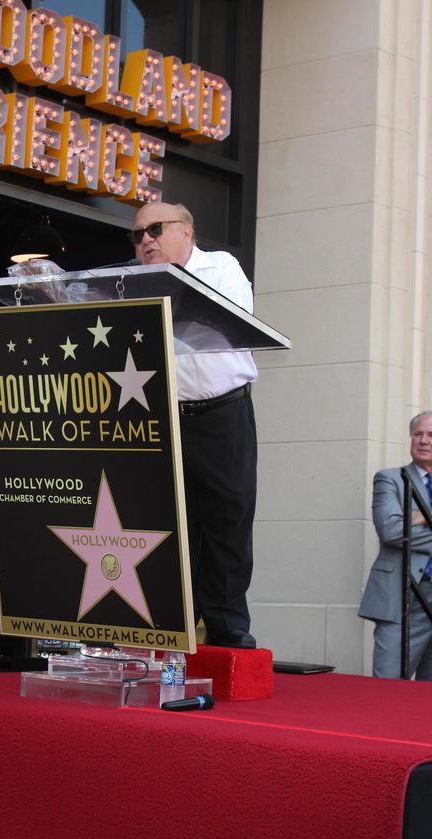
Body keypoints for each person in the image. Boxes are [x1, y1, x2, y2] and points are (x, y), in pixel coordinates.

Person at [130, 202, 257, 648]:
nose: (146, 239)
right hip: (165, 416)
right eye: (138, 234)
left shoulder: (221, 267)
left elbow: (223, 326)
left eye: (156, 229)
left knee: (228, 517)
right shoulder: (132, 282)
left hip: (223, 413)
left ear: (187, 231)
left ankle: (225, 625)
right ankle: (175, 620)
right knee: (170, 523)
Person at [359, 411, 432, 683]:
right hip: (402, 595)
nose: (423, 440)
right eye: (418, 434)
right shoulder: (390, 479)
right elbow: (391, 530)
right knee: (387, 688)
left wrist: (428, 517)